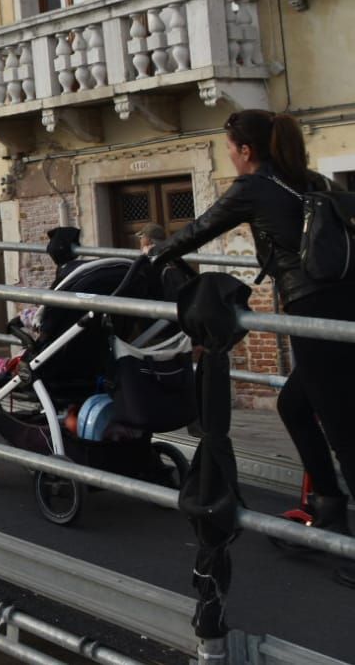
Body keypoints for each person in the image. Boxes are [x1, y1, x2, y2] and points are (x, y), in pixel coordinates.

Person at [149, 109, 355, 588]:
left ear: (245, 150)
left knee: (343, 428)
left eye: (230, 149)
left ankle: (339, 525)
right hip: (345, 304)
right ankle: (328, 507)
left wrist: (153, 256)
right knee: (294, 406)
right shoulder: (311, 180)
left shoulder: (255, 187)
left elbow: (199, 229)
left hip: (313, 310)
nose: (230, 156)